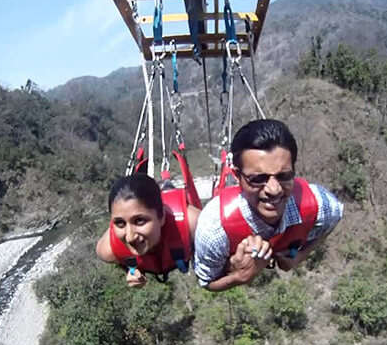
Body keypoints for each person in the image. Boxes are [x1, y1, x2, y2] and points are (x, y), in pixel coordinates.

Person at [194, 119, 343, 291]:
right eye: (258, 179)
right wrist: (239, 276)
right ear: (237, 176)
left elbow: (335, 216)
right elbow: (206, 281)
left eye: (284, 176)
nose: (273, 189)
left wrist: (299, 256)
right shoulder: (213, 229)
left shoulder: (319, 203)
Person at [96, 173, 200, 287]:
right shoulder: (108, 250)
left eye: (140, 221)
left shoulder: (193, 223)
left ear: (162, 217)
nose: (130, 237)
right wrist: (131, 271)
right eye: (120, 223)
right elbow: (126, 264)